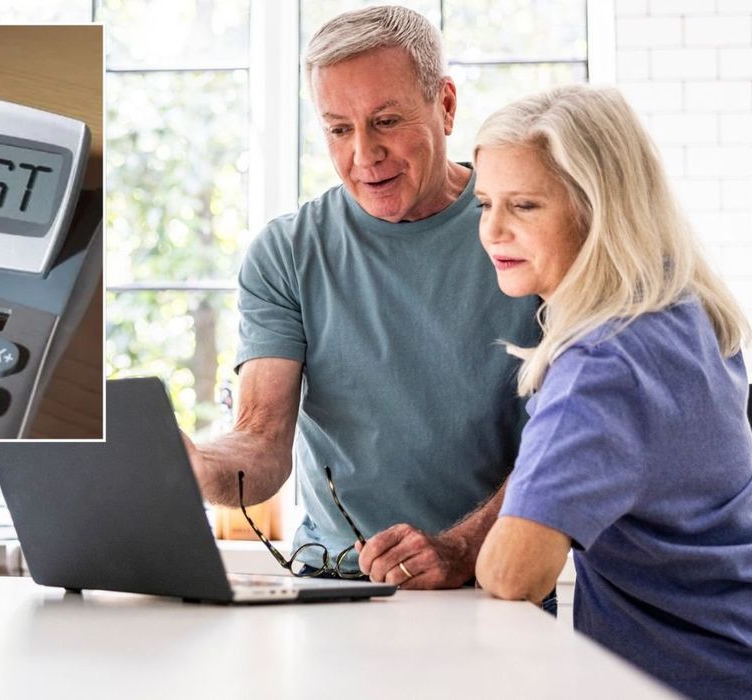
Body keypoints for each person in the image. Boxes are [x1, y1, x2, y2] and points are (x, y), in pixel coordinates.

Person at [470, 85, 752, 698]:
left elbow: (512, 573)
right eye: (485, 202)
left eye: (526, 205)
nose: (493, 230)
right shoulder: (680, 304)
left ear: (598, 209)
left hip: (707, 680)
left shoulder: (598, 364)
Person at [181, 5, 539, 589]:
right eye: (339, 129)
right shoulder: (287, 253)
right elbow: (262, 443)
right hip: (333, 587)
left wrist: (461, 549)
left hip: (490, 583)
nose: (364, 154)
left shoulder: (521, 229)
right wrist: (195, 466)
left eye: (387, 120)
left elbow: (562, 440)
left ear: (445, 105)